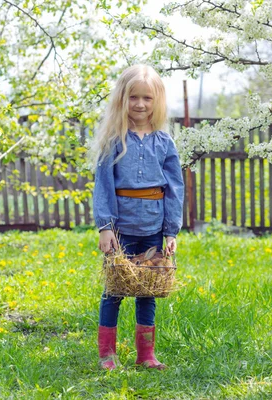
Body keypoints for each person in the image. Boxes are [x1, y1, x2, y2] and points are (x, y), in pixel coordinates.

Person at [90, 64, 184, 370]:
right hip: (121, 229)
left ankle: (146, 354)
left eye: (146, 97)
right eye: (133, 97)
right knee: (114, 291)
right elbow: (103, 185)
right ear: (122, 98)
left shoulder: (164, 143)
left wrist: (171, 231)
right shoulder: (113, 140)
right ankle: (108, 354)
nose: (140, 104)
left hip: (154, 228)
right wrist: (106, 227)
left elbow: (174, 188)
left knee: (148, 290)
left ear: (156, 100)